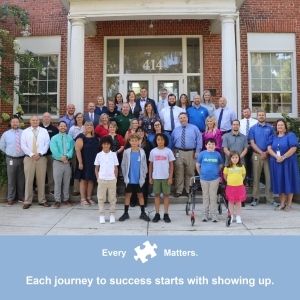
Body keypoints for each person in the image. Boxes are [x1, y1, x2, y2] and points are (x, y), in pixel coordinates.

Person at [267, 119, 299, 212]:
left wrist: (283, 157)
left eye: (281, 125)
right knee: (279, 181)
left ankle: (289, 204)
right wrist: (276, 156)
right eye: (278, 125)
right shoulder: (273, 136)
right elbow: (269, 148)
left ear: (285, 126)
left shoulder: (290, 135)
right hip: (276, 162)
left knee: (289, 180)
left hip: (288, 162)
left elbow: (294, 148)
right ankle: (282, 203)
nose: (279, 126)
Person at [248, 109, 278, 207]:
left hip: (269, 155)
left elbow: (273, 141)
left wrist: (266, 152)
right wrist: (261, 152)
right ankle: (255, 198)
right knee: (256, 177)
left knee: (269, 177)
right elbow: (252, 143)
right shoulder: (253, 128)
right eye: (259, 115)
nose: (261, 116)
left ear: (265, 116)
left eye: (263, 115)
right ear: (257, 117)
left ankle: (270, 198)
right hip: (257, 155)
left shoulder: (270, 128)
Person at [21, 115, 51, 209]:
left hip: (41, 158)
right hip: (29, 158)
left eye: (36, 120)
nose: (35, 121)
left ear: (39, 121)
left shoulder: (44, 131)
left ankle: (42, 200)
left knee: (41, 180)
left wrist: (40, 153)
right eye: (33, 120)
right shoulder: (25, 131)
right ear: (30, 121)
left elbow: (47, 143)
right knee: (29, 180)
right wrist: (32, 154)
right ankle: (27, 201)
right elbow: (23, 145)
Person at [119, 133, 150, 222]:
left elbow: (144, 165)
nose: (134, 142)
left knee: (140, 195)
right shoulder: (127, 152)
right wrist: (125, 175)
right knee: (128, 195)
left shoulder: (142, 152)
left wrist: (144, 175)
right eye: (132, 141)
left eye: (136, 141)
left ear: (139, 141)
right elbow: (124, 164)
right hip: (130, 178)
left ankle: (143, 213)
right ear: (129, 141)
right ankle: (125, 213)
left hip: (139, 178)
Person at [172, 112, 202, 197]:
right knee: (179, 172)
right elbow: (172, 141)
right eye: (181, 118)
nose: (183, 119)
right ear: (179, 119)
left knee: (190, 172)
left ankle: (189, 190)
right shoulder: (175, 130)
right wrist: (173, 151)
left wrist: (197, 151)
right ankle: (179, 190)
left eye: (184, 117)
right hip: (179, 152)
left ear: (187, 118)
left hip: (191, 153)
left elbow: (199, 140)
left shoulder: (194, 128)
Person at [149, 133, 175, 223]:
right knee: (156, 195)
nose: (160, 141)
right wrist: (150, 177)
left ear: (165, 141)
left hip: (166, 177)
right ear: (156, 141)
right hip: (156, 176)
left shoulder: (168, 151)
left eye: (162, 140)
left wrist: (170, 177)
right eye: (158, 139)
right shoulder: (153, 151)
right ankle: (157, 213)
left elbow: (171, 165)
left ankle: (166, 214)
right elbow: (151, 165)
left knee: (166, 195)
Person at [196, 138, 223, 222]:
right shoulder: (202, 154)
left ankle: (213, 213)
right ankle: (204, 213)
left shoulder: (217, 154)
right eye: (209, 144)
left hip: (214, 179)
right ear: (206, 145)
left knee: (213, 196)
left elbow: (220, 165)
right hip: (204, 179)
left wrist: (215, 173)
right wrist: (201, 174)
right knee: (205, 196)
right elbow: (197, 165)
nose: (211, 146)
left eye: (213, 144)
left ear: (215, 146)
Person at [0, 117, 25, 206]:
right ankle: (10, 198)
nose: (15, 123)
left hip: (22, 158)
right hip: (11, 159)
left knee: (21, 179)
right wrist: (9, 153)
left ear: (19, 123)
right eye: (13, 122)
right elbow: (2, 146)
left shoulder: (24, 133)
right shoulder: (6, 134)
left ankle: (21, 196)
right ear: (10, 124)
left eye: (16, 122)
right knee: (11, 179)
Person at [94, 136, 119, 224]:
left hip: (112, 179)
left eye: (107, 144)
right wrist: (98, 178)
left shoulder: (113, 155)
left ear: (110, 145)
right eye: (104, 144)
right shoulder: (99, 155)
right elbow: (96, 168)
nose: (106, 146)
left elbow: (116, 167)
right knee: (101, 198)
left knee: (112, 198)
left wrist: (115, 178)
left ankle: (112, 214)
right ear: (102, 145)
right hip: (102, 179)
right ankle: (102, 215)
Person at [50, 121, 74, 208]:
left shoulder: (70, 139)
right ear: (58, 127)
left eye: (64, 126)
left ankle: (66, 199)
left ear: (66, 128)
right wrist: (62, 158)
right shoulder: (54, 138)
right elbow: (54, 150)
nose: (63, 127)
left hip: (67, 163)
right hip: (57, 163)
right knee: (57, 182)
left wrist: (67, 156)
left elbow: (72, 149)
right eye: (61, 126)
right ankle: (57, 200)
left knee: (67, 182)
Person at [74, 121, 99, 206]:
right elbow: (77, 150)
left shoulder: (96, 137)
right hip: (84, 161)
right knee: (84, 180)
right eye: (87, 125)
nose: (89, 127)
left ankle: (89, 197)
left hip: (93, 161)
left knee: (91, 180)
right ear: (85, 127)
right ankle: (83, 199)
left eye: (90, 125)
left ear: (93, 127)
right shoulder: (81, 137)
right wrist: (80, 162)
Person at [223, 151, 246, 224]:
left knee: (238, 202)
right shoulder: (227, 167)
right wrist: (230, 182)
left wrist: (239, 181)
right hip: (230, 187)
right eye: (233, 157)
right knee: (231, 202)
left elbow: (243, 175)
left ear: (239, 158)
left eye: (236, 157)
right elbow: (225, 176)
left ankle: (238, 216)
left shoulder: (242, 167)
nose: (235, 159)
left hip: (239, 187)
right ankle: (231, 215)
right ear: (230, 158)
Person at [39, 112, 59, 195]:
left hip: (50, 154)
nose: (46, 118)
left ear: (50, 118)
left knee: (51, 172)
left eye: (48, 117)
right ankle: (38, 188)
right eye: (45, 117)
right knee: (40, 172)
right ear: (42, 118)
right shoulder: (38, 128)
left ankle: (51, 188)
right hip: (40, 155)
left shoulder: (54, 129)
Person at [239, 107, 258, 187]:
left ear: (250, 112)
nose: (246, 113)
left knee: (251, 163)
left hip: (253, 145)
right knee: (242, 162)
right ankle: (243, 179)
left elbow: (257, 134)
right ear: (242, 113)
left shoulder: (256, 122)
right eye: (244, 112)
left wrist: (251, 144)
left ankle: (250, 180)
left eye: (247, 112)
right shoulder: (239, 122)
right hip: (242, 145)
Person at [68, 112, 85, 196]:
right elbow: (69, 141)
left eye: (81, 117)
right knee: (76, 169)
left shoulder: (85, 128)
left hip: (85, 152)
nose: (79, 119)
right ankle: (76, 188)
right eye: (78, 117)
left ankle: (83, 189)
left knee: (84, 169)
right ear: (76, 119)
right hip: (75, 152)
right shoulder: (72, 128)